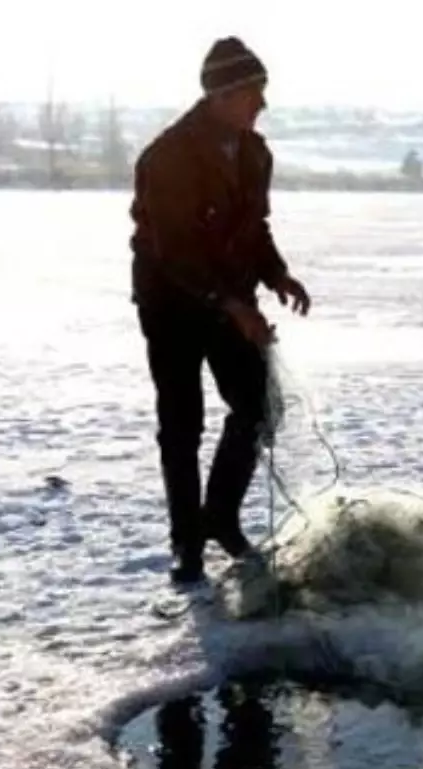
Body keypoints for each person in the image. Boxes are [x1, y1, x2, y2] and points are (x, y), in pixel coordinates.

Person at [129, 36, 311, 585]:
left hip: (232, 300)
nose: (263, 104)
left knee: (258, 406)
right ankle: (187, 544)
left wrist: (277, 274)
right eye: (255, 92)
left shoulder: (256, 153)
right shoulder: (167, 157)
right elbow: (176, 250)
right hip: (172, 303)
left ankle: (221, 518)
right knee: (181, 426)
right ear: (224, 94)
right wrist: (232, 306)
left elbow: (254, 229)